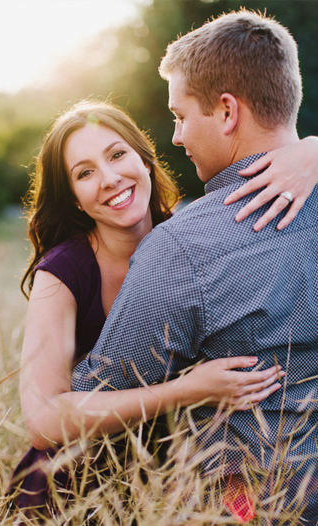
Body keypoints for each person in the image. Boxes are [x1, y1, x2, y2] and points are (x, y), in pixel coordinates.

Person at [66, 10, 318, 521]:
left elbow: (96, 399)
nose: (176, 136)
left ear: (227, 112)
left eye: (180, 116)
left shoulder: (181, 246)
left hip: (245, 506)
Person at [13, 99, 308, 520]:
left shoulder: (195, 240)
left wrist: (310, 149)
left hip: (178, 483)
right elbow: (42, 422)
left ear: (145, 160)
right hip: (78, 487)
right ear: (75, 199)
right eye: (85, 173)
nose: (110, 178)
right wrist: (184, 392)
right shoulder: (61, 274)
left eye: (117, 155)